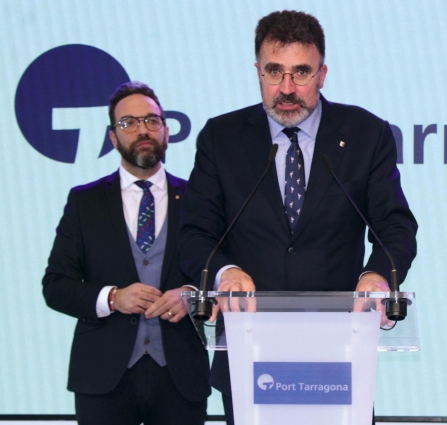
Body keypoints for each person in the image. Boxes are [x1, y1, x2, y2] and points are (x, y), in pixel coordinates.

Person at [177, 9, 417, 424]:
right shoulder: (221, 137)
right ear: (257, 71)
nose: (286, 88)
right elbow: (195, 232)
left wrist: (377, 275)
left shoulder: (365, 133)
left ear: (322, 74)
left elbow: (395, 227)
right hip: (248, 351)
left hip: (338, 353)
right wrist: (225, 271)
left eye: (301, 72)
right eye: (274, 72)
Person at [42, 82, 210, 424]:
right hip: (102, 378)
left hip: (181, 376)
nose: (142, 130)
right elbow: (56, 286)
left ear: (166, 130)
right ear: (113, 137)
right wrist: (113, 298)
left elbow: (221, 276)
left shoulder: (201, 199)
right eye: (128, 123)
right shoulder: (85, 203)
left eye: (151, 120)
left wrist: (191, 296)